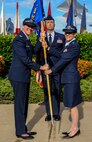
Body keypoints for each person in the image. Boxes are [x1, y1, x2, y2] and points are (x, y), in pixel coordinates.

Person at [8, 18, 48, 140]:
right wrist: (40, 67)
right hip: (18, 76)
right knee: (20, 104)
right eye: (28, 26)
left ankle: (23, 128)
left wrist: (39, 39)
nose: (31, 28)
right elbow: (25, 60)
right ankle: (20, 131)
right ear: (23, 26)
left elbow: (34, 51)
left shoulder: (26, 39)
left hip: (23, 76)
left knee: (24, 103)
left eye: (32, 27)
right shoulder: (18, 40)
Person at [45, 25, 82, 138]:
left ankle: (75, 129)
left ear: (75, 34)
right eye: (66, 32)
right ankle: (73, 128)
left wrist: (51, 70)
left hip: (71, 79)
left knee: (73, 105)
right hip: (67, 78)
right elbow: (62, 55)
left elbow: (64, 60)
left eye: (70, 33)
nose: (67, 34)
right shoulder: (68, 44)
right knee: (71, 105)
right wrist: (49, 48)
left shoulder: (74, 46)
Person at [34, 15, 65, 121]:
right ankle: (49, 113)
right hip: (45, 68)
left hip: (57, 68)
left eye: (51, 22)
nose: (50, 24)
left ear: (54, 24)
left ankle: (56, 113)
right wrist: (39, 41)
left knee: (56, 90)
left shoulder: (61, 37)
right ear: (45, 25)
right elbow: (36, 51)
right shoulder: (42, 37)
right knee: (47, 90)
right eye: (48, 22)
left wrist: (49, 48)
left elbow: (62, 55)